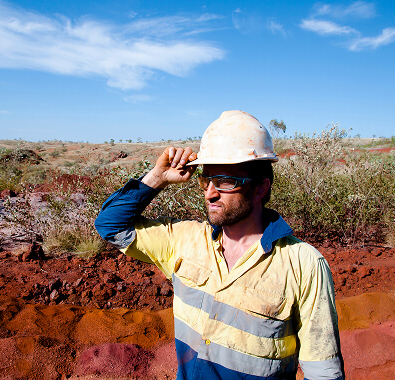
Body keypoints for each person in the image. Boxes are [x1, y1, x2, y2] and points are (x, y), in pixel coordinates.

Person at [95, 110, 344, 380]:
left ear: (260, 188)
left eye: (225, 181)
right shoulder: (185, 240)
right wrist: (158, 177)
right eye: (207, 179)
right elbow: (111, 225)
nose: (210, 193)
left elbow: (324, 374)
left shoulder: (304, 265)